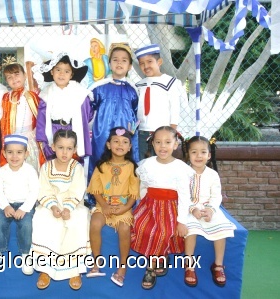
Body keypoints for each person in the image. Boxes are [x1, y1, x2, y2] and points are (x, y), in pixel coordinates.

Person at [130, 126, 194, 290]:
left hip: (171, 207)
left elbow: (185, 196)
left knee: (163, 231)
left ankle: (150, 268)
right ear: (152, 144)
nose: (162, 146)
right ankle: (160, 256)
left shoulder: (180, 168)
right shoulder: (147, 164)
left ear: (175, 144)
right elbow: (143, 187)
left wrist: (182, 221)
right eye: (158, 142)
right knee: (142, 226)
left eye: (167, 142)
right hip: (150, 205)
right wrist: (140, 208)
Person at [31, 129, 91, 290]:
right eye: (61, 147)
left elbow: (78, 189)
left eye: (69, 148)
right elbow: (43, 189)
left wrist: (68, 208)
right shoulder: (46, 167)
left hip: (72, 204)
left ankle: (74, 269)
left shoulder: (77, 167)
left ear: (75, 149)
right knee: (42, 218)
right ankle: (46, 269)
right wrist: (53, 206)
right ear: (53, 147)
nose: (65, 152)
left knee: (78, 220)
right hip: (51, 204)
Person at [87, 127, 139, 287]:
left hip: (123, 207)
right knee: (95, 223)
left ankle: (122, 267)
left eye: (124, 142)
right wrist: (104, 206)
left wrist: (124, 209)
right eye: (115, 141)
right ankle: (96, 263)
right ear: (108, 145)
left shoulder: (132, 168)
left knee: (124, 229)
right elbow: (96, 190)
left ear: (130, 147)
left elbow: (133, 194)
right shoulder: (101, 166)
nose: (120, 144)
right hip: (103, 205)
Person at [89, 43, 140, 202]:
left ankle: (127, 200)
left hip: (126, 134)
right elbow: (88, 112)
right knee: (101, 161)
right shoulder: (98, 87)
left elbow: (136, 112)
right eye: (115, 59)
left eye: (124, 60)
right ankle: (96, 199)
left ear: (130, 65)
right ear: (109, 63)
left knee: (126, 164)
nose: (119, 63)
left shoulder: (133, 89)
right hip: (102, 134)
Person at [183, 136, 236, 287]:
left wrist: (211, 210)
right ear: (188, 154)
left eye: (203, 152)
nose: (198, 156)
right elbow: (182, 195)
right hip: (189, 209)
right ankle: (189, 266)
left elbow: (216, 195)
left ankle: (218, 265)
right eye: (194, 152)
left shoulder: (213, 175)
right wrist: (192, 209)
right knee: (190, 230)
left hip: (208, 208)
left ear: (209, 155)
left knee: (222, 229)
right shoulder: (184, 173)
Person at [0, 134, 39, 276]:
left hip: (25, 205)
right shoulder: (2, 171)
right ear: (4, 153)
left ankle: (26, 254)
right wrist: (5, 206)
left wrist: (24, 208)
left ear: (26, 154)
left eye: (19, 152)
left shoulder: (30, 171)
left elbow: (35, 191)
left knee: (27, 224)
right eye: (10, 152)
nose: (14, 156)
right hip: (6, 204)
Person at [33, 52, 93, 161]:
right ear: (52, 71)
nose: (62, 74)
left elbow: (88, 115)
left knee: (73, 164)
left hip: (73, 131)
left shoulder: (80, 93)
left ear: (71, 74)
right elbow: (42, 120)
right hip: (53, 132)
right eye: (58, 70)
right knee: (54, 163)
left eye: (66, 71)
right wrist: (43, 140)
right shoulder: (46, 94)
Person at [134, 44, 187, 160]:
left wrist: (172, 132)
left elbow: (175, 109)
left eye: (149, 62)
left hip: (162, 132)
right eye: (142, 63)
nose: (146, 66)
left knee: (162, 161)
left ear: (159, 62)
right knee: (144, 163)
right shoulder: (138, 85)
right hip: (142, 132)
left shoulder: (170, 82)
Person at [0, 58, 44, 171]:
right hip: (12, 137)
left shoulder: (32, 96)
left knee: (30, 167)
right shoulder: (6, 97)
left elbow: (39, 117)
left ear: (24, 75)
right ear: (6, 81)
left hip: (29, 137)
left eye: (17, 74)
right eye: (9, 77)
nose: (14, 79)